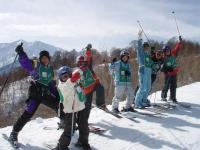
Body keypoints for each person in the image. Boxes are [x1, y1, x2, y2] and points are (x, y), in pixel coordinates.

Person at [9, 44, 65, 147]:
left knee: (59, 105)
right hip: (36, 94)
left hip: (46, 94)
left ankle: (64, 122)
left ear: (49, 59)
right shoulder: (36, 65)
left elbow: (52, 85)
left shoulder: (50, 70)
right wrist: (21, 53)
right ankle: (14, 133)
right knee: (28, 113)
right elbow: (26, 63)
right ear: (40, 59)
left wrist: (59, 96)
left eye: (46, 58)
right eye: (43, 58)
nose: (45, 60)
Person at [53, 66, 91, 150]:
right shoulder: (61, 86)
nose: (66, 78)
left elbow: (82, 93)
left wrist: (81, 74)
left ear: (71, 75)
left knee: (84, 127)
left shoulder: (76, 82)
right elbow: (66, 90)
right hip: (70, 110)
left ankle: (83, 142)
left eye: (68, 76)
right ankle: (62, 146)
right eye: (63, 76)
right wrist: (72, 80)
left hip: (81, 108)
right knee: (70, 129)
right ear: (60, 78)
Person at [135, 31, 154, 109]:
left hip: (149, 71)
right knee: (142, 87)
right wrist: (139, 38)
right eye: (145, 47)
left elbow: (152, 63)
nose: (146, 48)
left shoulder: (148, 56)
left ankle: (144, 99)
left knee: (148, 87)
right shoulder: (141, 52)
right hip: (143, 70)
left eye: (147, 47)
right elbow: (139, 46)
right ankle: (137, 102)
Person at [161, 36, 182, 103]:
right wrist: (166, 70)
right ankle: (163, 96)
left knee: (174, 86)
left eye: (168, 51)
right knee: (166, 85)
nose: (167, 52)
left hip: (174, 73)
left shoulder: (173, 53)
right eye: (165, 51)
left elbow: (177, 48)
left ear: (170, 50)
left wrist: (180, 42)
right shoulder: (164, 58)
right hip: (168, 74)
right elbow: (161, 67)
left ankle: (173, 97)